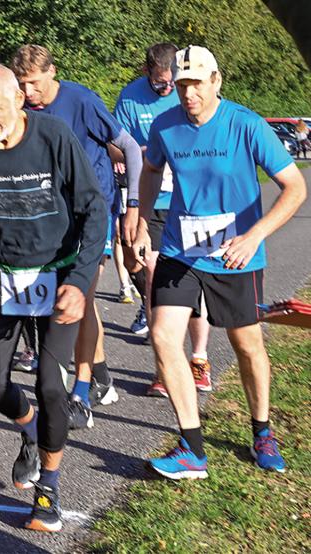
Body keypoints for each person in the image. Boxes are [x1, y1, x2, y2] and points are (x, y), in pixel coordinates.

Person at [0, 63, 106, 532]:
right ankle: (30, 430)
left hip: (58, 274)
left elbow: (94, 207)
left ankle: (48, 489)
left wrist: (81, 277)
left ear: (19, 100)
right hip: (3, 275)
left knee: (51, 386)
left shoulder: (53, 137)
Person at [131, 46, 306, 478]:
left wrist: (255, 235)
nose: (187, 93)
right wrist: (139, 222)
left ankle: (262, 430)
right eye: (181, 84)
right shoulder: (166, 127)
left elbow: (295, 188)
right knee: (163, 335)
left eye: (195, 84)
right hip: (180, 249)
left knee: (247, 345)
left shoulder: (246, 125)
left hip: (234, 254)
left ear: (216, 82)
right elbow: (151, 170)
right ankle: (191, 447)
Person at [11, 44, 143, 428]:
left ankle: (81, 391)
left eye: (34, 83)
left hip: (93, 210)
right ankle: (101, 377)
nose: (28, 91)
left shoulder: (81, 100)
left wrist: (133, 205)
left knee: (79, 297)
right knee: (71, 302)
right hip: (50, 218)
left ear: (52, 73)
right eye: (21, 84)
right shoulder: (21, 109)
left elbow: (130, 149)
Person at [114, 42, 213, 397]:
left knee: (197, 278)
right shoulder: (130, 97)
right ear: (147, 73)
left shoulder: (191, 94)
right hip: (152, 198)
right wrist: (136, 156)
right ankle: (164, 367)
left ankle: (199, 360)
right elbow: (115, 144)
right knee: (154, 277)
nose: (169, 90)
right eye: (161, 84)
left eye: (174, 83)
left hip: (193, 200)